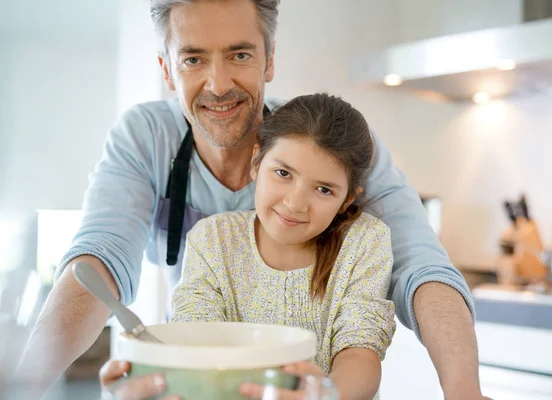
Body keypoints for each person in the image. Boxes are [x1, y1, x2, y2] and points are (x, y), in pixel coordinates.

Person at [16, 1, 487, 399]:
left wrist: (463, 391)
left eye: (239, 54)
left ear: (269, 59)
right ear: (166, 69)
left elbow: (421, 267)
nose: (218, 85)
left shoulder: (333, 147)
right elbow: (100, 259)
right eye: (193, 59)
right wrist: (24, 386)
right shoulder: (145, 140)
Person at [169, 93, 396, 399]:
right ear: (256, 161)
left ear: (347, 200)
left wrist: (327, 394)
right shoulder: (212, 240)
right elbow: (195, 341)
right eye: (283, 173)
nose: (294, 203)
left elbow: (360, 352)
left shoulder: (364, 241)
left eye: (324, 189)